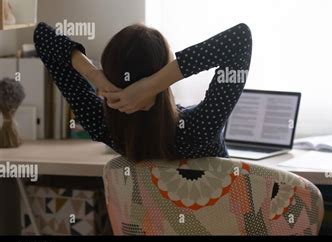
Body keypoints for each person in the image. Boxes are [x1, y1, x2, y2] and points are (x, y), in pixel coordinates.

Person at [33, 22, 252, 161]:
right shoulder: (201, 127)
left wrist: (96, 76)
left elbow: (42, 36)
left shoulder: (103, 127)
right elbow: (240, 39)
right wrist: (152, 86)